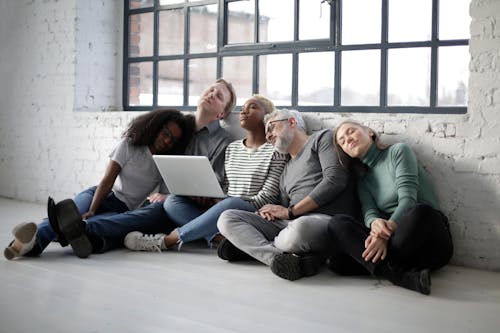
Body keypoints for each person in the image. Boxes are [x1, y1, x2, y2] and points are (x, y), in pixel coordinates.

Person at [4, 108, 194, 260]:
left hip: (124, 209)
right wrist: (93, 208)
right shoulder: (130, 145)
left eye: (174, 139)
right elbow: (107, 181)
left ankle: (30, 244)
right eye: (165, 133)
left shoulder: (166, 160)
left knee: (81, 223)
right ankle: (29, 243)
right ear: (156, 127)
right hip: (100, 195)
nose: (167, 140)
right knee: (71, 215)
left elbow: (159, 198)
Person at [124, 95, 288, 251]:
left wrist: (224, 203)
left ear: (267, 117)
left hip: (250, 211)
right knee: (173, 201)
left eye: (252, 107)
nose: (243, 111)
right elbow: (227, 186)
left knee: (232, 204)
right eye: (243, 107)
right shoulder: (232, 148)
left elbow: (268, 197)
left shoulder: (277, 150)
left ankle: (167, 240)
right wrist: (214, 199)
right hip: (224, 206)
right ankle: (218, 239)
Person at [217, 109, 358, 281]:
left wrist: (291, 212)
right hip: (290, 223)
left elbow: (335, 180)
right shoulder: (285, 172)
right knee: (227, 218)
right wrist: (270, 213)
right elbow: (283, 211)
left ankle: (251, 249)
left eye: (271, 128)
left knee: (298, 231)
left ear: (291, 122)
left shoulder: (321, 139)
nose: (267, 135)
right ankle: (282, 259)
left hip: (323, 220)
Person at [327, 120, 453, 295]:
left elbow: (408, 199)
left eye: (351, 131)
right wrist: (374, 223)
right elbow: (369, 212)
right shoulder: (363, 180)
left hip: (427, 239)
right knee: (337, 227)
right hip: (397, 244)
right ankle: (400, 275)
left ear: (370, 132)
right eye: (342, 141)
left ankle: (384, 269)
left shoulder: (398, 151)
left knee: (421, 211)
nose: (347, 139)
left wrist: (383, 234)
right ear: (346, 152)